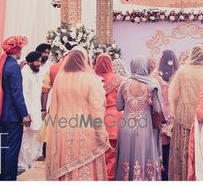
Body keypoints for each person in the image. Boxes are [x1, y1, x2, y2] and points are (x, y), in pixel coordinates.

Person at [45, 50, 109, 180]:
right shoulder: (90, 80)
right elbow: (96, 109)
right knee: (83, 165)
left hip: (61, 130)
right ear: (84, 61)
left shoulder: (60, 79)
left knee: (65, 164)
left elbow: (54, 105)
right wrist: (101, 133)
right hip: (84, 132)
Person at [114, 55, 164, 181]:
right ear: (145, 67)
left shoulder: (124, 83)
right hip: (144, 128)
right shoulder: (152, 84)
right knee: (143, 156)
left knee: (127, 157)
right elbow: (157, 109)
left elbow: (119, 106)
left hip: (126, 127)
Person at [0, 36, 31, 180]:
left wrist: (17, 69)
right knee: (12, 150)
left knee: (3, 148)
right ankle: (8, 179)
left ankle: (1, 178)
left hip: (1, 113)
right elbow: (16, 94)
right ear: (17, 50)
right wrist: (25, 114)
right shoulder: (13, 67)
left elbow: (4, 87)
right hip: (13, 116)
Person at [168, 44, 203, 180]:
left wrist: (173, 116)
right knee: (199, 150)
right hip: (202, 118)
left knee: (183, 149)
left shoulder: (182, 71)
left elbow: (174, 96)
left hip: (183, 116)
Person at [94, 54, 124, 181]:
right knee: (112, 152)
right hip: (114, 118)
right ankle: (110, 178)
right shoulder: (118, 79)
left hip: (97, 117)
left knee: (98, 153)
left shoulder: (93, 79)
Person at [152, 50, 180, 181]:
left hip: (161, 115)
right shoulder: (178, 75)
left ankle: (163, 174)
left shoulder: (154, 76)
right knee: (173, 147)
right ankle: (173, 173)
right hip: (175, 114)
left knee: (162, 146)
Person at [18, 51, 44, 171]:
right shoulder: (25, 72)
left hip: (36, 111)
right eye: (37, 61)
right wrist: (26, 114)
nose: (39, 63)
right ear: (30, 61)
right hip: (28, 113)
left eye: (40, 61)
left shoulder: (35, 72)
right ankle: (22, 164)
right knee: (25, 141)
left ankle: (29, 162)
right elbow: (23, 94)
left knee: (32, 140)